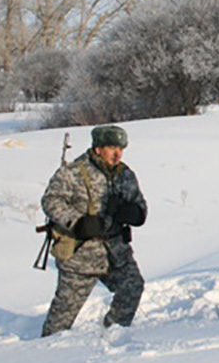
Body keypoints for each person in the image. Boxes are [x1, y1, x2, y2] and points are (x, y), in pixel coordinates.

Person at [40, 125, 148, 337]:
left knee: (132, 287)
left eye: (121, 149)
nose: (117, 154)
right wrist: (78, 223)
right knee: (62, 317)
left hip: (115, 252)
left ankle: (112, 335)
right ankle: (46, 355)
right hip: (80, 255)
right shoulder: (73, 172)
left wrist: (131, 213)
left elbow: (141, 206)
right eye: (112, 148)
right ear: (98, 149)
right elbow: (50, 201)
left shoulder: (125, 174)